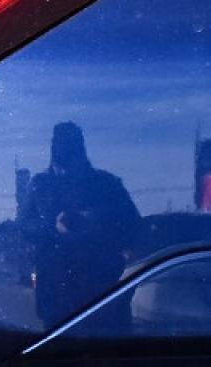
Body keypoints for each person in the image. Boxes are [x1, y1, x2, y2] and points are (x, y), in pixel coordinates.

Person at [19, 122, 142, 326]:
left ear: (82, 154)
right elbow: (23, 226)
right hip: (57, 294)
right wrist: (52, 226)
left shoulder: (107, 185)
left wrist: (98, 221)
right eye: (61, 166)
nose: (65, 173)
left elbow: (134, 227)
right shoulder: (39, 186)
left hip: (103, 292)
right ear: (53, 157)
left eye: (71, 163)